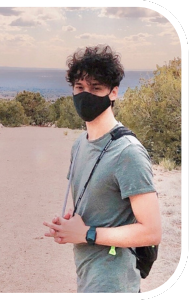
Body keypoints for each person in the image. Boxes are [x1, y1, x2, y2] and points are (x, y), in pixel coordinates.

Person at [43, 44, 162, 293]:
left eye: (96, 88)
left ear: (114, 92)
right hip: (87, 275)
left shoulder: (128, 152)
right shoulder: (79, 145)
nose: (86, 95)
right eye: (79, 88)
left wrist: (87, 234)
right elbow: (93, 203)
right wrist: (69, 225)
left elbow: (151, 232)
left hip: (114, 282)